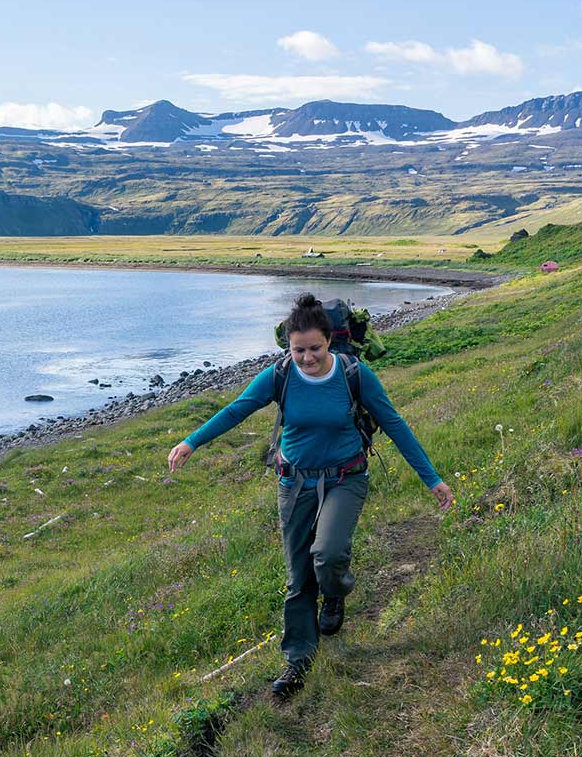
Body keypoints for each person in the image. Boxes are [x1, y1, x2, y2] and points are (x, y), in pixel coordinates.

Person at [167, 293, 453, 700]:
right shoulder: (279, 375)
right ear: (288, 346)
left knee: (329, 554)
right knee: (299, 578)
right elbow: (236, 410)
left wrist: (432, 479)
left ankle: (335, 591)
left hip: (345, 479)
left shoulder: (355, 374)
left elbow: (394, 423)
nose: (306, 359)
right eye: (297, 350)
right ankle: (298, 661)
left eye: (314, 349)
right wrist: (191, 442)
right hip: (294, 483)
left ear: (329, 341)